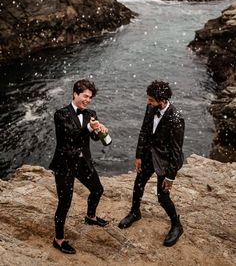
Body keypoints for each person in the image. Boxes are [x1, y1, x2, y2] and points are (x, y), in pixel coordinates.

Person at [118, 80, 185, 247]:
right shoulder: (150, 108)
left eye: (151, 100)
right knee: (138, 184)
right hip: (148, 155)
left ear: (162, 101)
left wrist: (170, 177)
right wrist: (139, 156)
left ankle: (177, 225)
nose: (148, 102)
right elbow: (143, 131)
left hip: (165, 160)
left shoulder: (176, 119)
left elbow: (177, 151)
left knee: (163, 197)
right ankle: (135, 213)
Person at [49, 79, 109, 254]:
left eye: (90, 97)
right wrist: (89, 128)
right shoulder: (60, 114)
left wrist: (100, 131)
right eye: (85, 96)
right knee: (65, 203)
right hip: (64, 164)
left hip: (83, 162)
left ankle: (90, 216)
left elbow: (96, 139)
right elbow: (69, 135)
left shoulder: (91, 113)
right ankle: (58, 240)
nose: (88, 100)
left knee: (98, 189)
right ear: (75, 93)